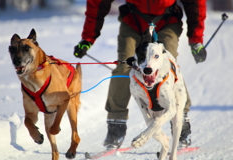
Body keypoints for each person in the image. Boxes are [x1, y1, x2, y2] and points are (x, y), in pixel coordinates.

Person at [73, 0, 207, 150]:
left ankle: (180, 120)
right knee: (124, 69)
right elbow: (97, 3)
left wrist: (196, 40)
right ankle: (116, 124)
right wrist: (87, 38)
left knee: (167, 67)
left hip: (167, 20)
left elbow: (195, 3)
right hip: (133, 21)